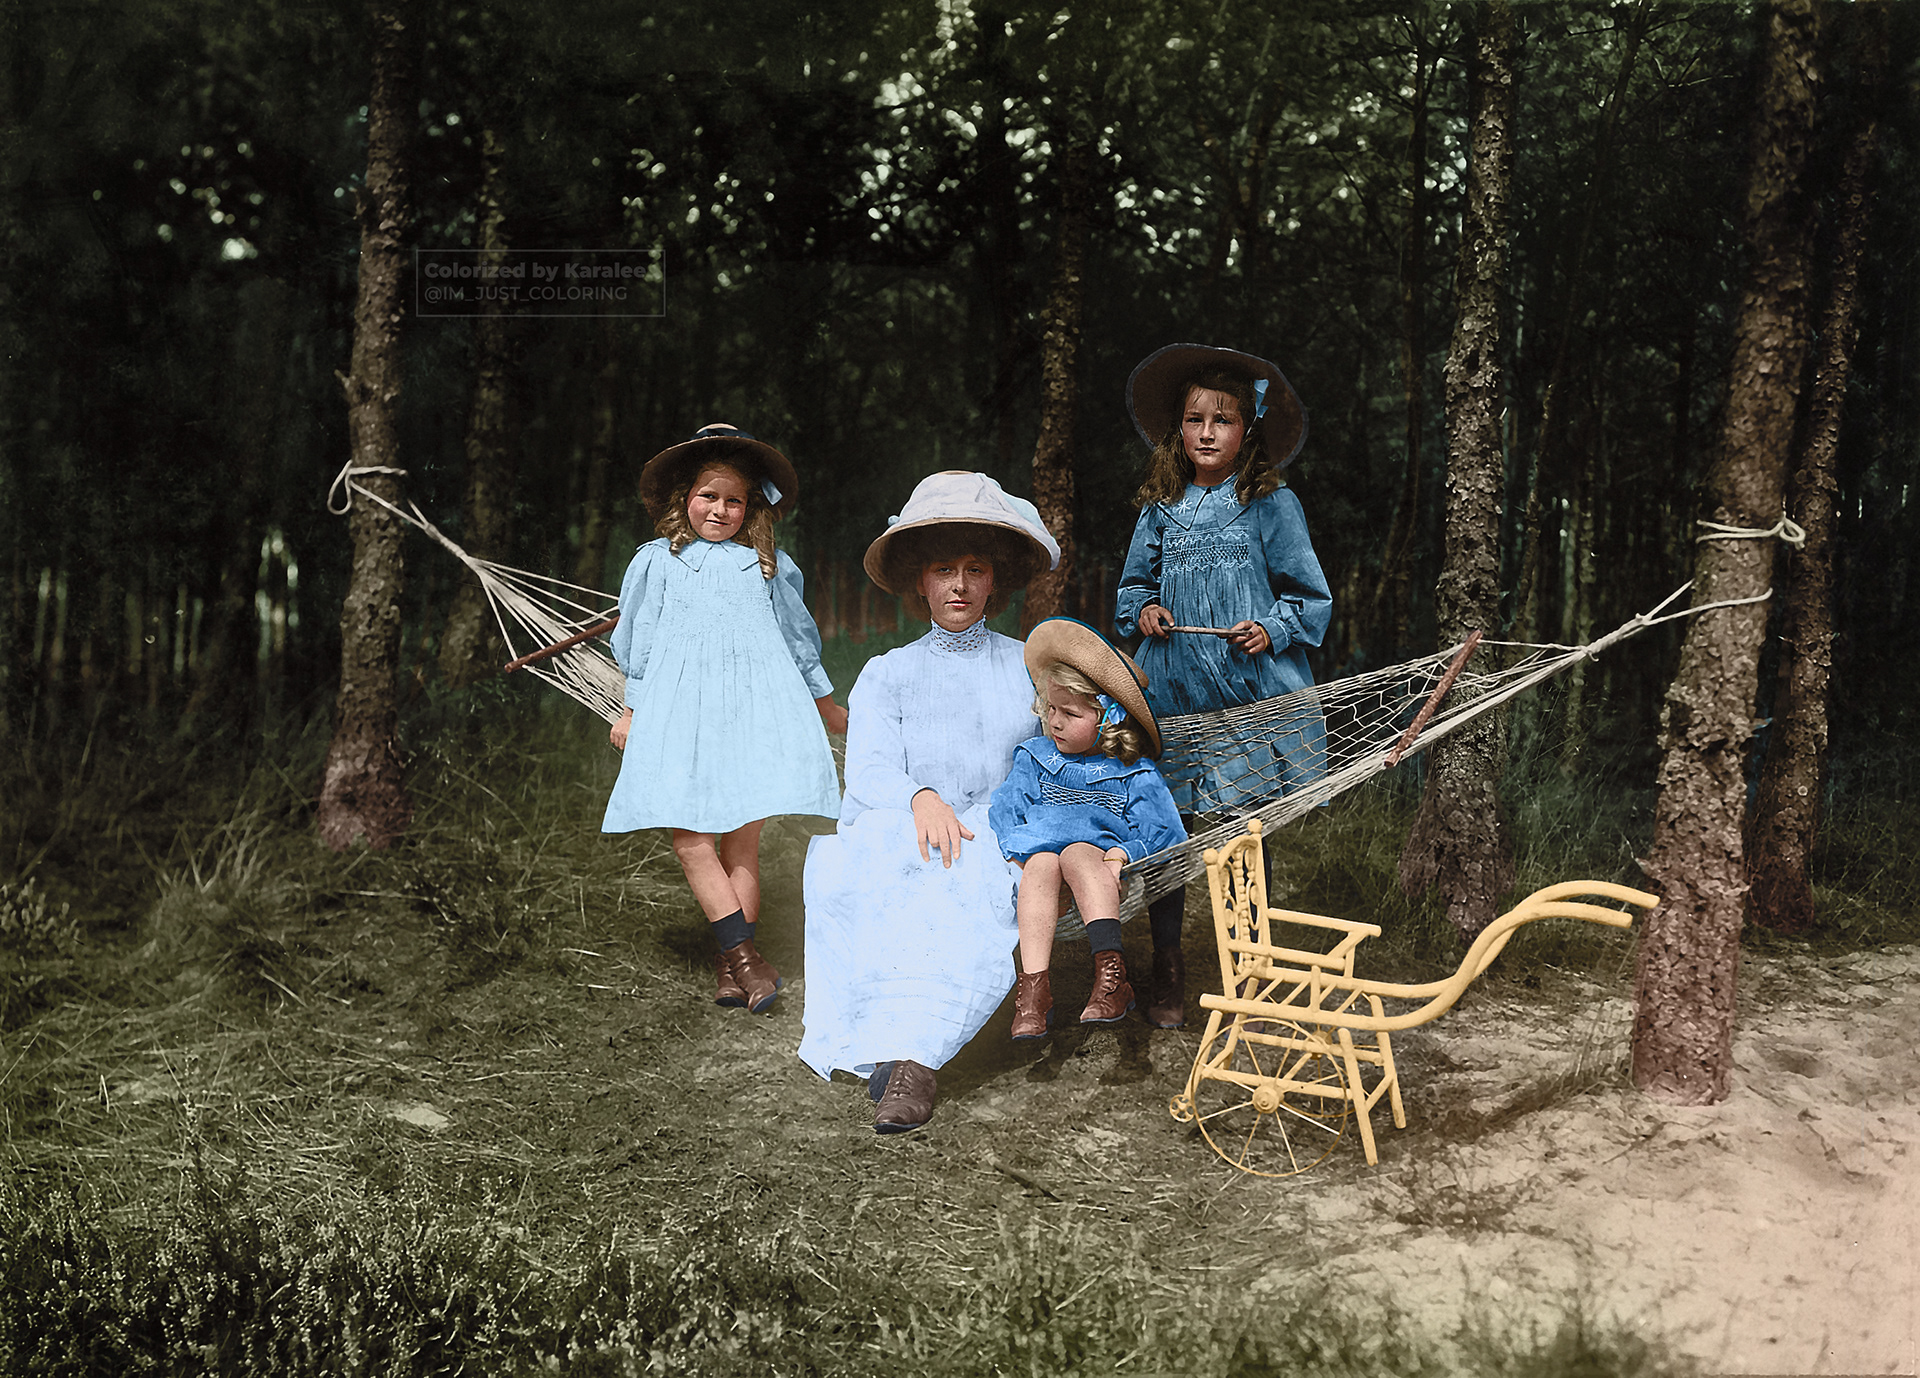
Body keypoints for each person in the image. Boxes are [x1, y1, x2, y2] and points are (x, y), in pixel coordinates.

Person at [799, 470, 1060, 1134]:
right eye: (944, 569)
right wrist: (920, 798)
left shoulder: (1026, 665)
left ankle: (914, 1062)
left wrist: (997, 816)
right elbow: (870, 767)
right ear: (920, 581)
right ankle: (888, 1035)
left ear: (994, 581)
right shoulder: (890, 671)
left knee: (962, 874)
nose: (960, 586)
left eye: (976, 570)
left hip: (998, 828)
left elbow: (1053, 751)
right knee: (860, 864)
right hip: (907, 818)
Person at [1113, 344, 1333, 1030]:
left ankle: (1252, 966)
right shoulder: (1160, 509)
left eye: (1223, 420)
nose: (1207, 432)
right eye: (1194, 419)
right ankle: (1168, 968)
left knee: (1244, 831)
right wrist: (1146, 611)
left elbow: (1310, 596)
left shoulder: (1270, 504)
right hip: (1174, 689)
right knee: (1167, 828)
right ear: (1177, 430)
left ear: (1248, 432)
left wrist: (1271, 628)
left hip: (1244, 693)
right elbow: (1132, 592)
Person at [604, 423, 847, 1013]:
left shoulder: (766, 567)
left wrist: (826, 707)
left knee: (742, 845)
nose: (719, 509)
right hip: (679, 714)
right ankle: (747, 960)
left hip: (752, 713)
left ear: (751, 507)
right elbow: (636, 642)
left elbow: (798, 644)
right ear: (683, 500)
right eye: (708, 496)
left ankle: (730, 968)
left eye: (733, 500)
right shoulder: (657, 563)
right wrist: (629, 709)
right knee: (690, 838)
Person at [989, 617, 1187, 1040]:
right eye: (1050, 710)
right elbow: (1008, 806)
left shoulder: (1130, 770)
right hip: (1039, 858)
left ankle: (1111, 979)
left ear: (1107, 719)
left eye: (1070, 713)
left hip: (1096, 864)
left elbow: (1165, 829)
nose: (1054, 722)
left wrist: (1123, 855)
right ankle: (1034, 991)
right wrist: (1012, 856)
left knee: (1078, 853)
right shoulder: (1036, 755)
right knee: (1042, 865)